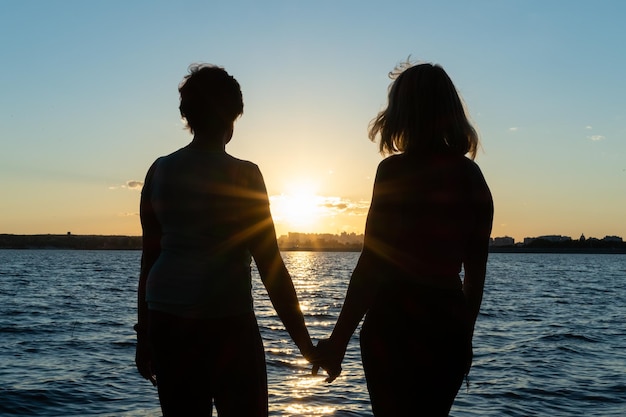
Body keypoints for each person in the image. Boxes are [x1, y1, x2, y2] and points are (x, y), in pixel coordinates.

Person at [134, 63, 316, 417]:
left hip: (168, 323)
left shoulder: (159, 170)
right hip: (229, 323)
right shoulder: (245, 175)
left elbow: (149, 260)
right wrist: (306, 345)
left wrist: (145, 336)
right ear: (234, 115)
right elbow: (271, 265)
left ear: (187, 114)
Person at [315, 61, 494, 416]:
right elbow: (475, 276)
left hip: (394, 323)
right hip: (446, 322)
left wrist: (337, 343)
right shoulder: (472, 178)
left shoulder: (394, 172)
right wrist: (464, 336)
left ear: (401, 112)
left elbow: (372, 264)